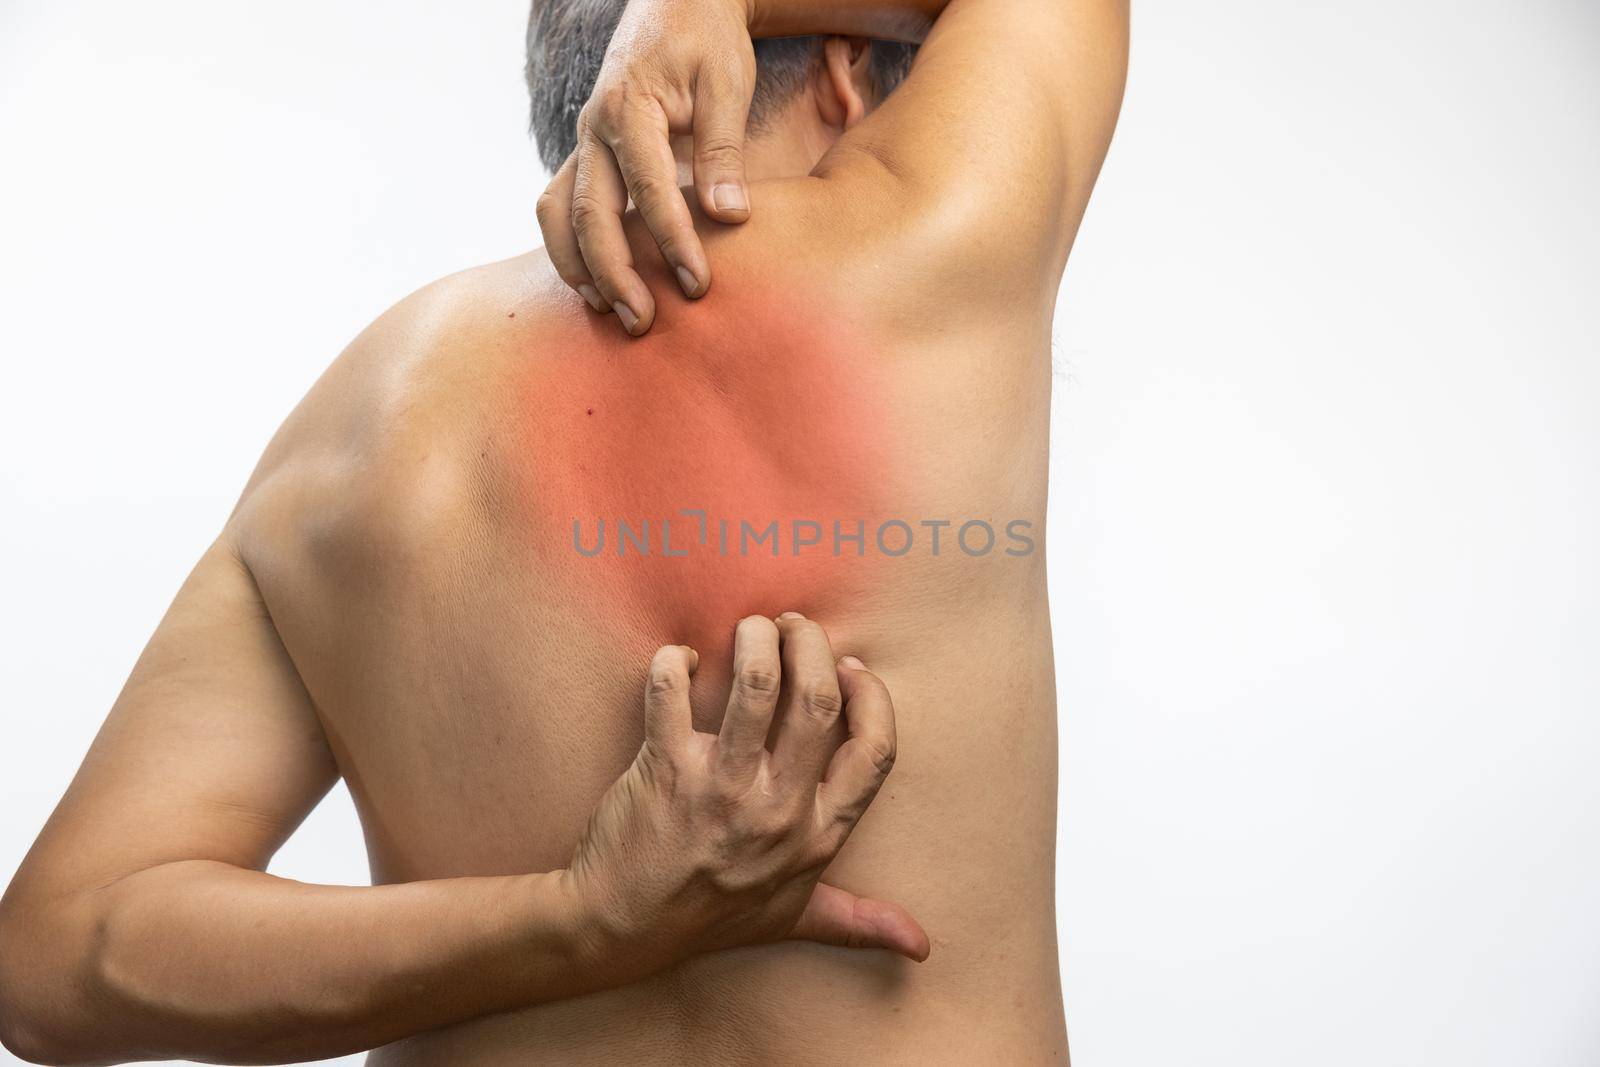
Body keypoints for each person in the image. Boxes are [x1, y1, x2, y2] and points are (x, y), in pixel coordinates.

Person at [0, 0, 1127, 1062]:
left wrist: (578, 920)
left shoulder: (357, 425)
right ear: (847, 71)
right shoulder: (935, 245)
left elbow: (53, 956)